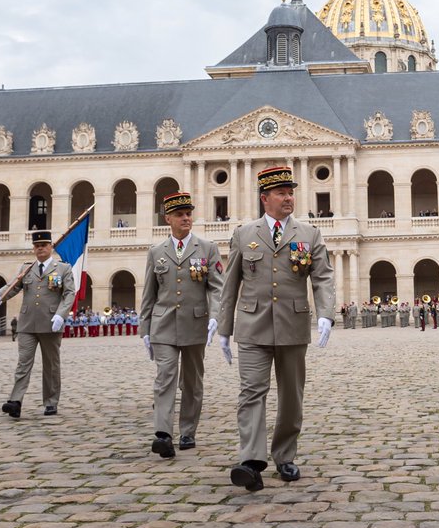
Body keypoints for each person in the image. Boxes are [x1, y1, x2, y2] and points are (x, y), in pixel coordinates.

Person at [218, 166, 335, 491]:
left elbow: (323, 276)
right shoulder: (244, 234)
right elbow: (230, 285)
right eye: (282, 193)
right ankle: (252, 460)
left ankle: (285, 455)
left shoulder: (309, 234)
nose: (289, 198)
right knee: (251, 392)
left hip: (293, 324)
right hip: (252, 325)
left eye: (290, 192)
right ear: (265, 198)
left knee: (291, 396)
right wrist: (224, 329)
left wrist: (326, 313)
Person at [140, 192, 224, 458]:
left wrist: (214, 316)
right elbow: (149, 294)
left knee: (191, 382)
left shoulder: (207, 248)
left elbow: (215, 288)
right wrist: (145, 329)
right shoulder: (156, 252)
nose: (186, 218)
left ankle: (188, 431)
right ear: (168, 219)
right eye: (180, 214)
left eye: (188, 213)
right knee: (165, 377)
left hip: (195, 324)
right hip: (163, 325)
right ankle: (163, 433)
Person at [0, 230, 76, 419]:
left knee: (51, 365)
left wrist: (62, 315)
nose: (40, 249)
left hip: (51, 323)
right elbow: (14, 287)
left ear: (51, 247)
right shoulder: (26, 268)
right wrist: (0, 295)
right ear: (34, 249)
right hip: (27, 324)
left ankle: (51, 402)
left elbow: (69, 293)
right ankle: (15, 401)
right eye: (37, 246)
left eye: (44, 245)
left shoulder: (62, 268)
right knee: (23, 363)